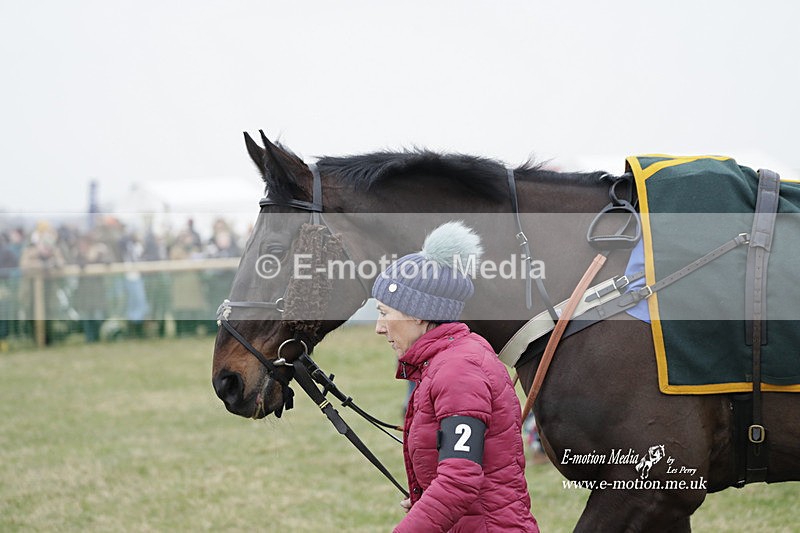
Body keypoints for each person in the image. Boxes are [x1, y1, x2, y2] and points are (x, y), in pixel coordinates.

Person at [372, 221, 539, 533]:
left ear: (417, 312)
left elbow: (459, 480)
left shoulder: (459, 370)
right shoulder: (445, 361)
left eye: (384, 312)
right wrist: (427, 498)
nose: (379, 327)